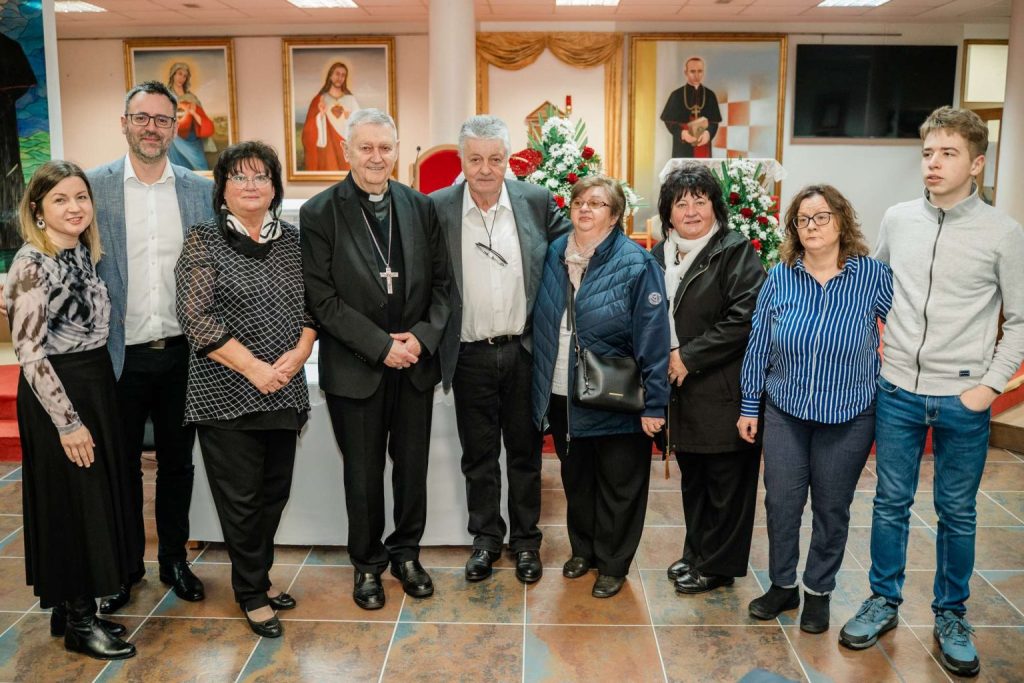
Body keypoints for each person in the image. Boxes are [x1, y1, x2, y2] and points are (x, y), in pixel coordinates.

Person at [840, 107, 1024, 678]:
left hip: (963, 397)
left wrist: (989, 386)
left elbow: (1020, 320)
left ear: (977, 163)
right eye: (927, 153)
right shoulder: (898, 220)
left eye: (948, 154)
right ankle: (883, 600)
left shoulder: (1003, 232)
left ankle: (951, 615)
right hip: (897, 389)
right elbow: (869, 288)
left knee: (957, 513)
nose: (934, 164)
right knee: (890, 503)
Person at [301, 108, 450, 611]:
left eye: (385, 148)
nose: (376, 157)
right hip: (356, 368)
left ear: (397, 151)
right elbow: (321, 299)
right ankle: (367, 564)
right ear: (347, 151)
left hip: (414, 367)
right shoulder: (320, 212)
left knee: (411, 469)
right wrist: (382, 346)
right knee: (362, 475)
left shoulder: (420, 206)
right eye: (365, 147)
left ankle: (407, 554)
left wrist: (421, 339)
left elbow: (443, 287)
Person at [175, 141, 316, 638]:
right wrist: (255, 369)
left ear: (275, 188)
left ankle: (257, 577)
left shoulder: (294, 241)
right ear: (222, 189)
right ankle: (252, 594)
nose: (251, 185)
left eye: (261, 177)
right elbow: (195, 318)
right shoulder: (203, 239)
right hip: (224, 393)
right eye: (240, 177)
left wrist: (300, 353)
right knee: (241, 501)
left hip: (284, 389)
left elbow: (312, 307)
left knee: (274, 494)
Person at [738, 185, 893, 633]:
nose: (811, 226)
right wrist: (749, 405)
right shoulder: (780, 277)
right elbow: (758, 344)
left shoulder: (872, 276)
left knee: (831, 508)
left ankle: (819, 591)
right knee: (781, 503)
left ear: (841, 221)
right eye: (803, 220)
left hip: (849, 413)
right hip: (785, 410)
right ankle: (783, 585)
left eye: (821, 217)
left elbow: (905, 330)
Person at [87, 80, 214, 614]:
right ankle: (125, 567)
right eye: (142, 118)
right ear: (125, 123)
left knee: (177, 463)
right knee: (119, 467)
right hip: (118, 354)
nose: (152, 128)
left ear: (174, 126)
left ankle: (174, 561)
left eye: (163, 119)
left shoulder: (198, 190)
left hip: (183, 351)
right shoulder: (93, 187)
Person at [431, 115, 571, 584]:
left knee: (525, 454)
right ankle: (487, 539)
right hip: (468, 354)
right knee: (479, 456)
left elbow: (574, 246)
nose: (486, 169)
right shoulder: (438, 207)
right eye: (475, 159)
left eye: (495, 158)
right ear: (461, 160)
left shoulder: (535, 201)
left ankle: (526, 542)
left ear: (508, 159)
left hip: (523, 351)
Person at [5, 160, 135, 659]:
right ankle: (81, 622)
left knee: (86, 499)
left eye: (81, 197)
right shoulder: (32, 264)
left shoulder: (80, 251)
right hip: (59, 394)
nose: (75, 207)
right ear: (38, 210)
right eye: (60, 199)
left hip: (93, 383)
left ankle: (70, 609)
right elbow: (30, 354)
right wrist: (69, 423)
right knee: (75, 503)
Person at [532, 175, 670, 599]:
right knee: (577, 478)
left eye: (597, 203)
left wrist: (656, 404)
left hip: (616, 392)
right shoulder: (555, 252)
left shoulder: (636, 263)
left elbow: (654, 336)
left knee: (619, 483)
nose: (585, 209)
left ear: (615, 216)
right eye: (579, 202)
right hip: (563, 388)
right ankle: (584, 550)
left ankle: (613, 563)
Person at [651, 163, 765, 595]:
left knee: (726, 484)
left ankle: (719, 566)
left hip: (722, 387)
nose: (691, 211)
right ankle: (697, 552)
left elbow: (744, 317)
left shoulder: (734, 251)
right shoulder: (660, 254)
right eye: (681, 203)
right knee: (695, 478)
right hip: (681, 393)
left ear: (716, 207)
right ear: (668, 212)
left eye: (700, 201)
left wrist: (687, 357)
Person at [301, 61, 360, 172]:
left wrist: (350, 118)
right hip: (327, 149)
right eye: (337, 74)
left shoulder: (351, 100)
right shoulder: (320, 99)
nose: (340, 78)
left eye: (343, 75)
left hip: (346, 147)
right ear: (330, 75)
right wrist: (321, 116)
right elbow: (308, 131)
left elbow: (360, 124)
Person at [660, 56, 722, 159]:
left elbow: (714, 122)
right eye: (692, 71)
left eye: (700, 71)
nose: (697, 76)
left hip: (703, 145)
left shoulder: (710, 95)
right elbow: (669, 122)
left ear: (703, 72)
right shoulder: (676, 95)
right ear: (686, 72)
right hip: (682, 146)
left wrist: (707, 134)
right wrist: (682, 133)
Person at [166, 62, 215, 171]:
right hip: (175, 136)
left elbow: (201, 117)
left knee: (201, 168)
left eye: (185, 76)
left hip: (192, 136)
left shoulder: (191, 97)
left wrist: (193, 112)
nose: (182, 78)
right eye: (179, 74)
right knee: (177, 168)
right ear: (173, 74)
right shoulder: (166, 96)